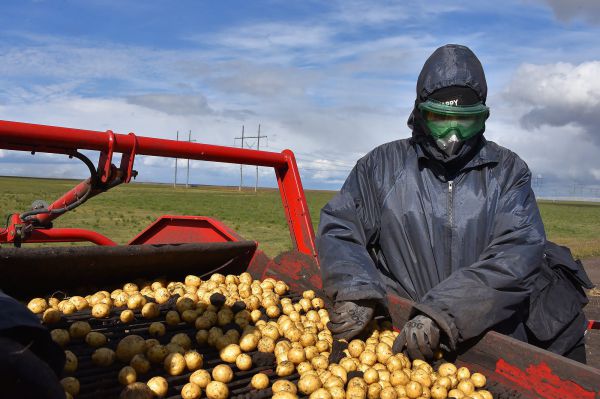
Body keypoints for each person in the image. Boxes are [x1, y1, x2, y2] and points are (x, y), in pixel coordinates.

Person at [317, 44, 592, 362]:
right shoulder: (379, 167)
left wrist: (442, 313)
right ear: (420, 111)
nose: (452, 136)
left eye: (465, 121)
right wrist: (356, 288)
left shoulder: (507, 171)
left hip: (485, 337)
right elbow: (341, 227)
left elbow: (516, 255)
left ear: (483, 117)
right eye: (440, 118)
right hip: (400, 335)